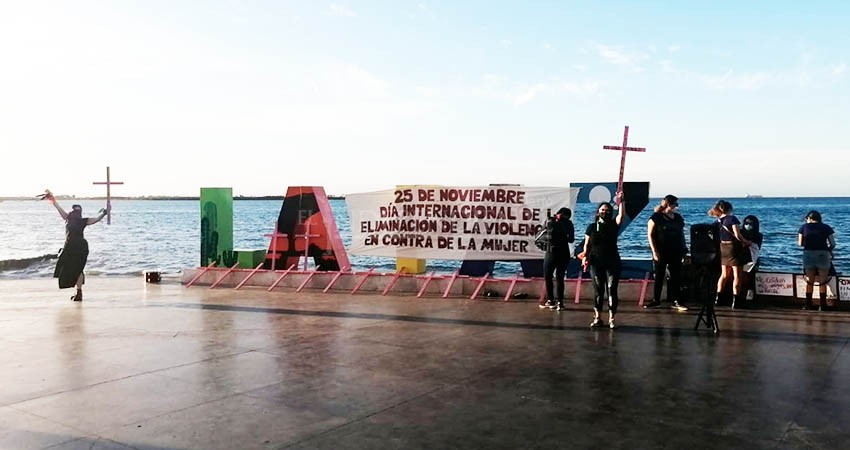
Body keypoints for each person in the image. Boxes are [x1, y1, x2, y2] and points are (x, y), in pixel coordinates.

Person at [44, 190, 108, 301]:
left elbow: (97, 219)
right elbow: (97, 219)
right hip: (79, 246)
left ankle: (78, 292)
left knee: (74, 269)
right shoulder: (75, 219)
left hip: (75, 246)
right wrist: (104, 213)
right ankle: (78, 292)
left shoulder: (71, 218)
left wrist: (104, 212)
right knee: (76, 269)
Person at [580, 192, 625, 329]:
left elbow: (621, 216)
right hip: (596, 262)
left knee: (612, 289)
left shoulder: (613, 225)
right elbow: (586, 245)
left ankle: (612, 319)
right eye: (602, 210)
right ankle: (597, 317)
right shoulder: (592, 227)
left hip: (612, 261)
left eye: (607, 210)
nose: (604, 212)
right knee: (598, 291)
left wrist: (621, 201)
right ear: (598, 212)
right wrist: (585, 258)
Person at [645, 195, 688, 311]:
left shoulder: (678, 218)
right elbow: (650, 235)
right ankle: (656, 300)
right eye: (675, 204)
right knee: (659, 275)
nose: (677, 207)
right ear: (669, 204)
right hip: (661, 250)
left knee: (676, 276)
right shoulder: (656, 217)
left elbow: (681, 234)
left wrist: (684, 249)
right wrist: (654, 251)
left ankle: (676, 300)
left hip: (676, 250)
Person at [708, 200, 749, 308]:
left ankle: (718, 299)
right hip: (733, 247)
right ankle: (736, 301)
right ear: (729, 208)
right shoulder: (732, 219)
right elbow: (737, 235)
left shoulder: (718, 221)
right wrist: (746, 242)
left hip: (723, 248)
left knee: (724, 275)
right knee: (737, 276)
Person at [798, 210, 836, 311]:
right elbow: (833, 243)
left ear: (809, 218)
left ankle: (808, 304)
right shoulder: (826, 227)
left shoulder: (803, 227)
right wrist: (828, 250)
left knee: (809, 281)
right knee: (822, 281)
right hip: (823, 255)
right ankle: (822, 306)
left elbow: (800, 243)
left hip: (808, 254)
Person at [539, 207, 575, 311]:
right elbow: (571, 240)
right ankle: (560, 303)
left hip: (551, 252)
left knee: (548, 277)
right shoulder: (569, 224)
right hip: (564, 253)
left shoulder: (550, 221)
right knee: (560, 278)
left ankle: (551, 301)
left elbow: (542, 235)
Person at [740, 215, 764, 303]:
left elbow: (751, 245)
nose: (748, 225)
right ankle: (741, 295)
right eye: (746, 223)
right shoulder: (740, 232)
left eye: (750, 224)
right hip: (742, 258)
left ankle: (750, 297)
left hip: (752, 259)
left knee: (751, 279)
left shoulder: (758, 235)